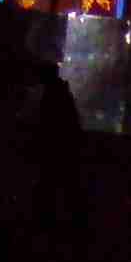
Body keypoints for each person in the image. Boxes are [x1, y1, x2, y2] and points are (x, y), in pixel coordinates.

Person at [26, 59, 84, 233]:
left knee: (52, 188)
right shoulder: (59, 92)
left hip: (56, 152)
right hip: (61, 152)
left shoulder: (53, 94)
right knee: (59, 189)